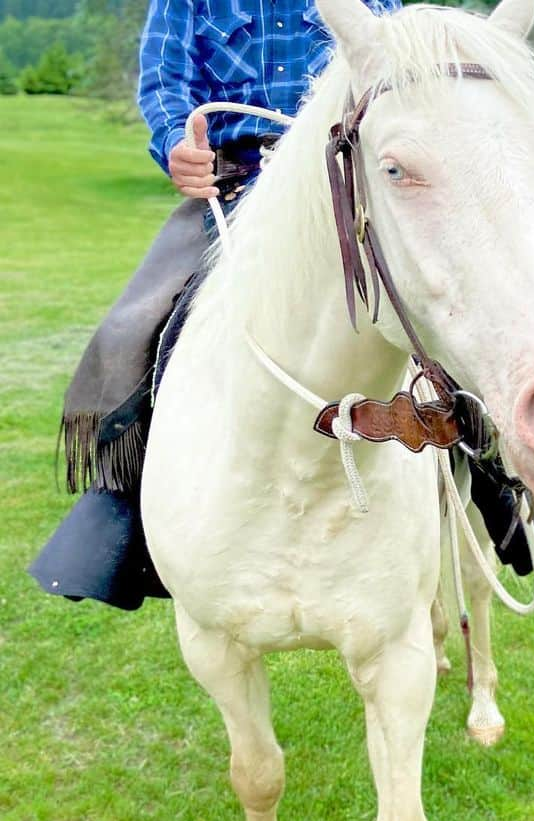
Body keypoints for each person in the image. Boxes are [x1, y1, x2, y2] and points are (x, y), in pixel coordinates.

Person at [32, 0, 398, 609]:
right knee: (134, 330)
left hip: (344, 187)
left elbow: (399, 71)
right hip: (235, 188)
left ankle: (493, 478)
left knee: (444, 299)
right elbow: (164, 83)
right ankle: (122, 508)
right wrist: (179, 146)